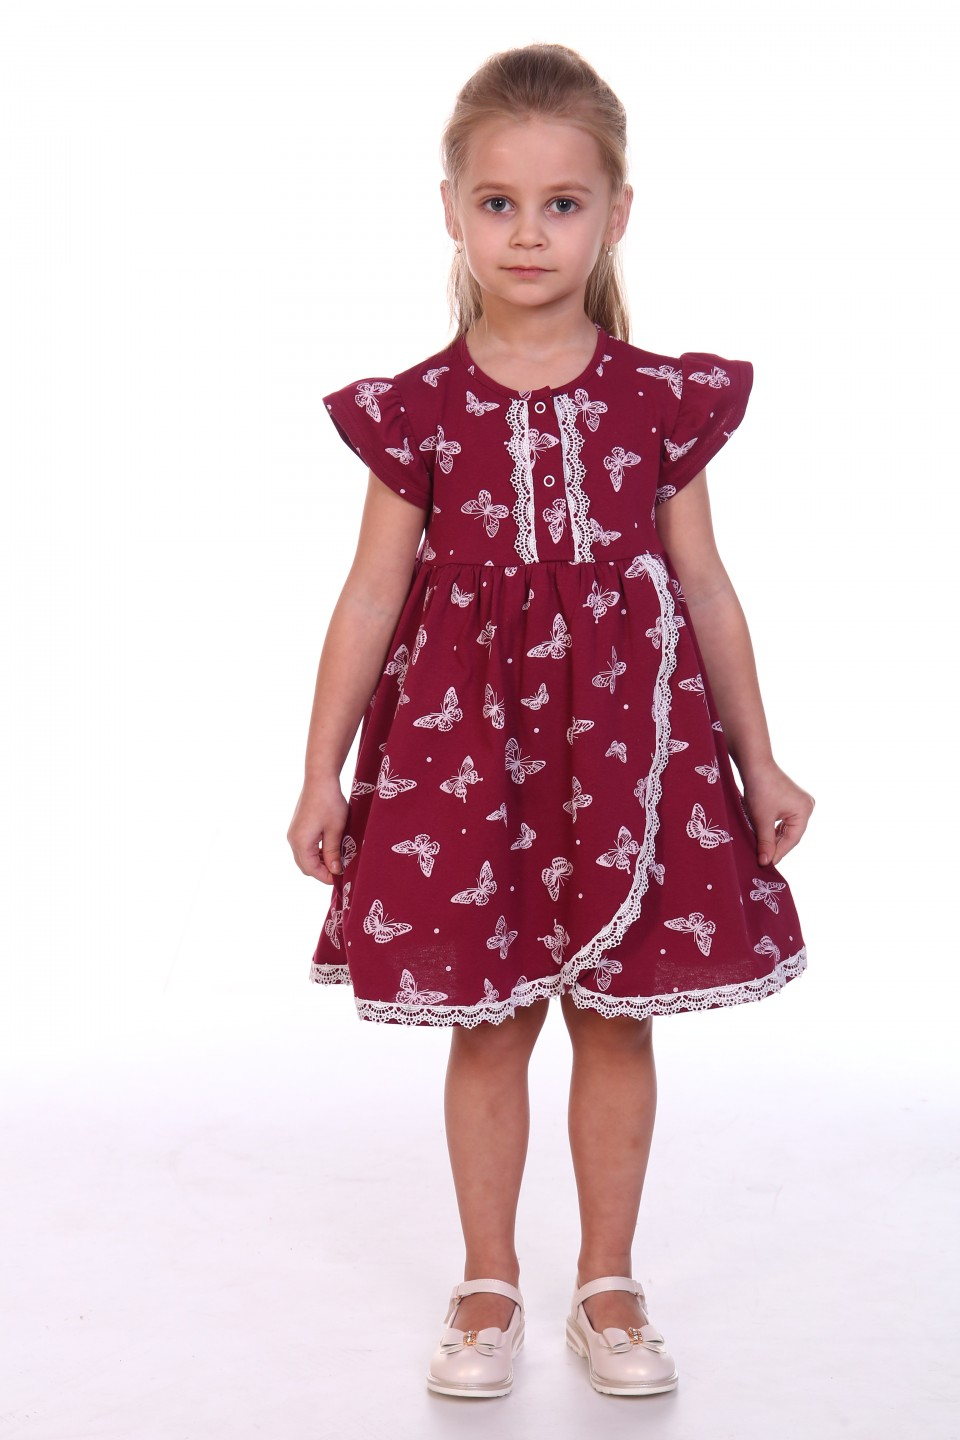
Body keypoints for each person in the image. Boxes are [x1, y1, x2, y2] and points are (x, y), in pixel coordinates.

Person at [287, 42, 814, 1401]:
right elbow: (370, 596)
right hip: (468, 762)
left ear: (615, 213)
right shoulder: (419, 411)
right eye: (500, 203)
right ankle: (487, 1282)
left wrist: (759, 760)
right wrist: (322, 772)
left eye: (563, 203)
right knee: (490, 1023)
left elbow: (706, 586)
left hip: (630, 760)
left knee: (619, 1021)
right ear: (453, 212)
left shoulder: (659, 402)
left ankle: (608, 1284)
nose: (530, 233)